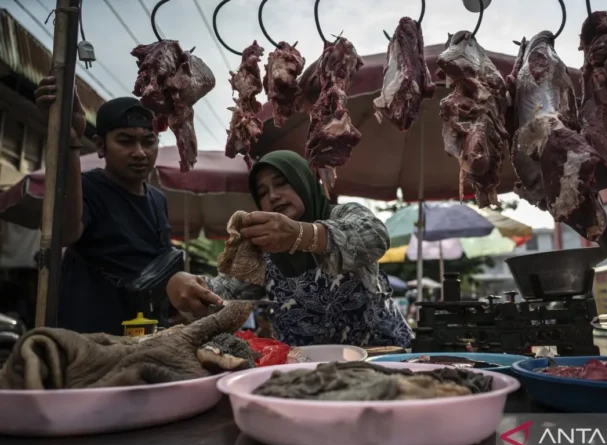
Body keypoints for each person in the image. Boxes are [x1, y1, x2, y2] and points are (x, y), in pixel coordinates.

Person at [166, 150, 413, 347]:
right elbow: (225, 294)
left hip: (379, 357)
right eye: (263, 192)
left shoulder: (343, 214)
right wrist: (188, 287)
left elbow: (375, 236)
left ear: (304, 181)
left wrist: (301, 235)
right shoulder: (263, 247)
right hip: (306, 371)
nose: (273, 196)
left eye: (282, 183)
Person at [35, 76, 176, 335]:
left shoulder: (159, 200)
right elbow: (65, 234)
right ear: (101, 146)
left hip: (146, 338)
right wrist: (70, 142)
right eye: (125, 141)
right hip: (91, 343)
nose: (140, 152)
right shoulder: (86, 187)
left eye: (149, 142)